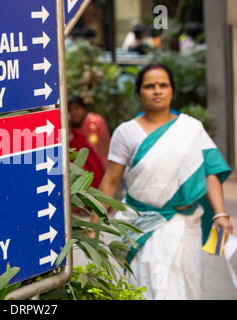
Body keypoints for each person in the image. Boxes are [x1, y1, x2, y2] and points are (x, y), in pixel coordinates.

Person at [90, 63, 233, 300]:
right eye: (149, 86)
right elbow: (111, 181)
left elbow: (209, 172)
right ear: (139, 93)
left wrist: (220, 213)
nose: (157, 90)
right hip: (139, 224)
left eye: (163, 85)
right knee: (143, 286)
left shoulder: (191, 129)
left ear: (172, 91)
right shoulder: (126, 132)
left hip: (184, 224)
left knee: (184, 288)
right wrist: (93, 228)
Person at [68, 96, 111, 172]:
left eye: (77, 108)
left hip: (104, 165)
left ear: (84, 109)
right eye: (70, 110)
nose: (74, 113)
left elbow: (100, 148)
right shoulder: (71, 127)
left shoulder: (95, 121)